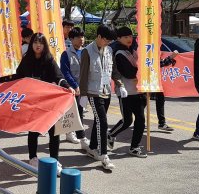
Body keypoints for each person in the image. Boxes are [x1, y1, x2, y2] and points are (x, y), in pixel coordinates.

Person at [107, 27, 178, 158]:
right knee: (127, 121)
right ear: (118, 38)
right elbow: (129, 73)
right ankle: (110, 134)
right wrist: (145, 71)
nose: (129, 39)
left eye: (130, 36)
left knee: (140, 120)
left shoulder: (134, 51)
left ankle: (134, 147)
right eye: (125, 37)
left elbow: (149, 65)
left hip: (139, 90)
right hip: (126, 91)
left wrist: (168, 60)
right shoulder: (118, 54)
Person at [12, 32, 73, 176]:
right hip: (32, 103)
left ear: (44, 45)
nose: (38, 45)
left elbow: (59, 77)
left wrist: (67, 86)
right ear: (31, 44)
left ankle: (54, 161)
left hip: (48, 103)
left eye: (41, 42)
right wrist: (3, 84)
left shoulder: (49, 59)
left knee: (54, 132)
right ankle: (33, 159)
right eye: (35, 42)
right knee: (33, 131)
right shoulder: (27, 60)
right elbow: (18, 77)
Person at [79, 25, 116, 170]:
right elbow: (83, 75)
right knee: (103, 122)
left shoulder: (109, 50)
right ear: (99, 37)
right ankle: (103, 154)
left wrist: (119, 84)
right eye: (106, 40)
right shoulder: (87, 51)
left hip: (106, 90)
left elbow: (112, 70)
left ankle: (93, 147)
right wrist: (83, 94)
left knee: (98, 121)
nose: (108, 43)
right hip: (93, 91)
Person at [59, 27, 89, 148]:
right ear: (71, 39)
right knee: (76, 113)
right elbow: (65, 72)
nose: (81, 39)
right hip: (72, 89)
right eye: (78, 37)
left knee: (77, 112)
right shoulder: (66, 54)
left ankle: (70, 133)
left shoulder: (85, 52)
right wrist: (75, 85)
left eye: (82, 36)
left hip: (84, 88)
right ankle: (82, 138)